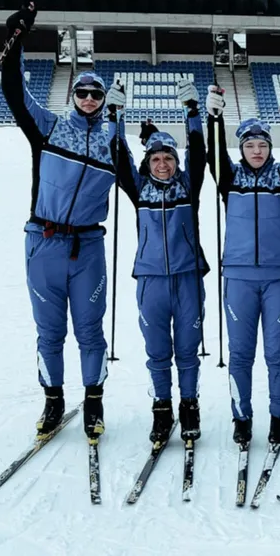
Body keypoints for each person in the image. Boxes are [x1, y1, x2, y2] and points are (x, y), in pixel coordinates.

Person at [1, 3, 126, 443]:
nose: (89, 99)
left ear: (104, 100)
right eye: (83, 92)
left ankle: (93, 401)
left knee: (90, 330)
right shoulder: (49, 129)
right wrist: (15, 38)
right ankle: (53, 401)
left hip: (88, 248)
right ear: (73, 95)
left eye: (96, 94)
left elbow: (144, 187)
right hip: (44, 244)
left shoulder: (114, 142)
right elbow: (14, 92)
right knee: (49, 331)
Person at [110, 80, 209, 445]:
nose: (163, 164)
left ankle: (189, 406)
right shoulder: (139, 188)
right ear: (147, 162)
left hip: (187, 276)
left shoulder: (188, 186)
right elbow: (116, 152)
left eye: (168, 157)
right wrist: (115, 116)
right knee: (157, 350)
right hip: (150, 278)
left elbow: (199, 151)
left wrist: (192, 112)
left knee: (187, 348)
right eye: (156, 158)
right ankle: (162, 408)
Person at [207, 88, 280, 447]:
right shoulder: (230, 179)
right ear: (241, 149)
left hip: (279, 277)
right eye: (250, 146)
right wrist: (214, 118)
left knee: (277, 352)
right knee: (241, 353)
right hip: (238, 277)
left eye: (262, 144)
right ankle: (242, 417)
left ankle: (279, 416)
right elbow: (212, 154)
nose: (257, 151)